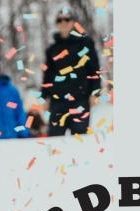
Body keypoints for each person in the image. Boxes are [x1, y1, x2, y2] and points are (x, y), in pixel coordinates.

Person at [42, 7, 101, 136]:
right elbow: (47, 74)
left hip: (80, 98)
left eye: (67, 19)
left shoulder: (85, 43)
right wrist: (45, 97)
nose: (63, 23)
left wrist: (95, 92)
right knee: (54, 140)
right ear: (56, 23)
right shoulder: (52, 49)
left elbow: (94, 68)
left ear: (73, 22)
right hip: (57, 100)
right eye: (60, 20)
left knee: (79, 138)